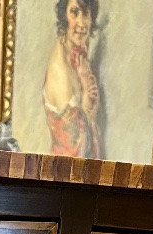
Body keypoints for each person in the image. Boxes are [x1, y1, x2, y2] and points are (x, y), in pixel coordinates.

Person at [43, 0, 102, 158]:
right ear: (64, 16)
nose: (81, 23)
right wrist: (86, 106)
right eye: (74, 13)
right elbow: (75, 149)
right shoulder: (60, 68)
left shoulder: (77, 53)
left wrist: (89, 108)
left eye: (86, 14)